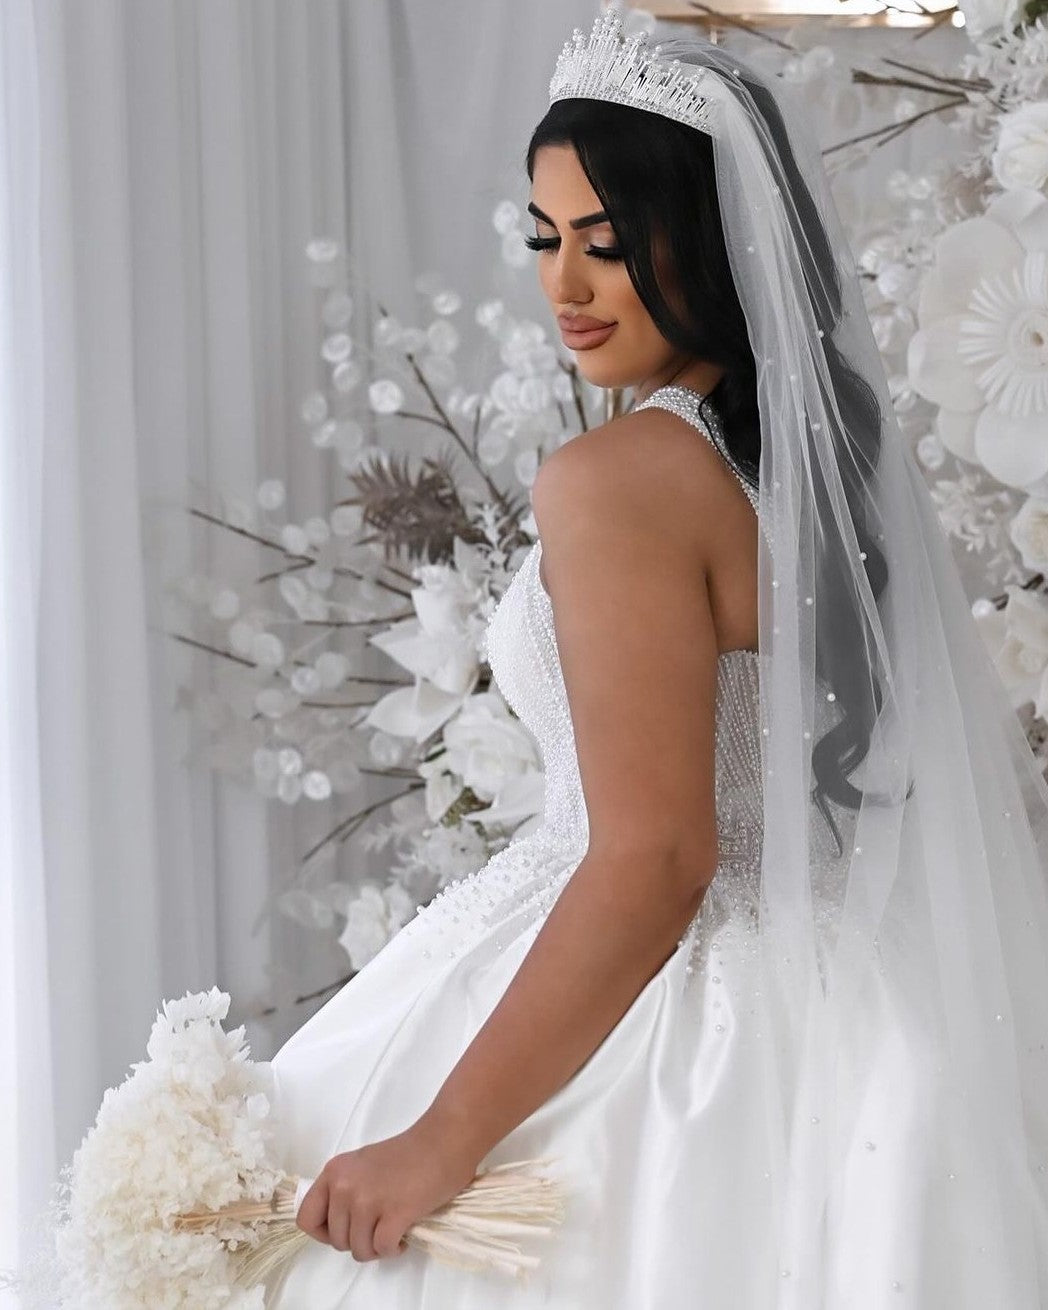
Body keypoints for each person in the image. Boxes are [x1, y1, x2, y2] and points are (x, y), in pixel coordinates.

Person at [265, 13, 1048, 1307]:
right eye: (545, 237)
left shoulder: (619, 479)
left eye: (611, 243)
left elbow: (658, 855)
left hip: (672, 1018)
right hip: (836, 998)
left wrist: (441, 1140)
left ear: (712, 240)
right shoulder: (806, 479)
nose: (565, 287)